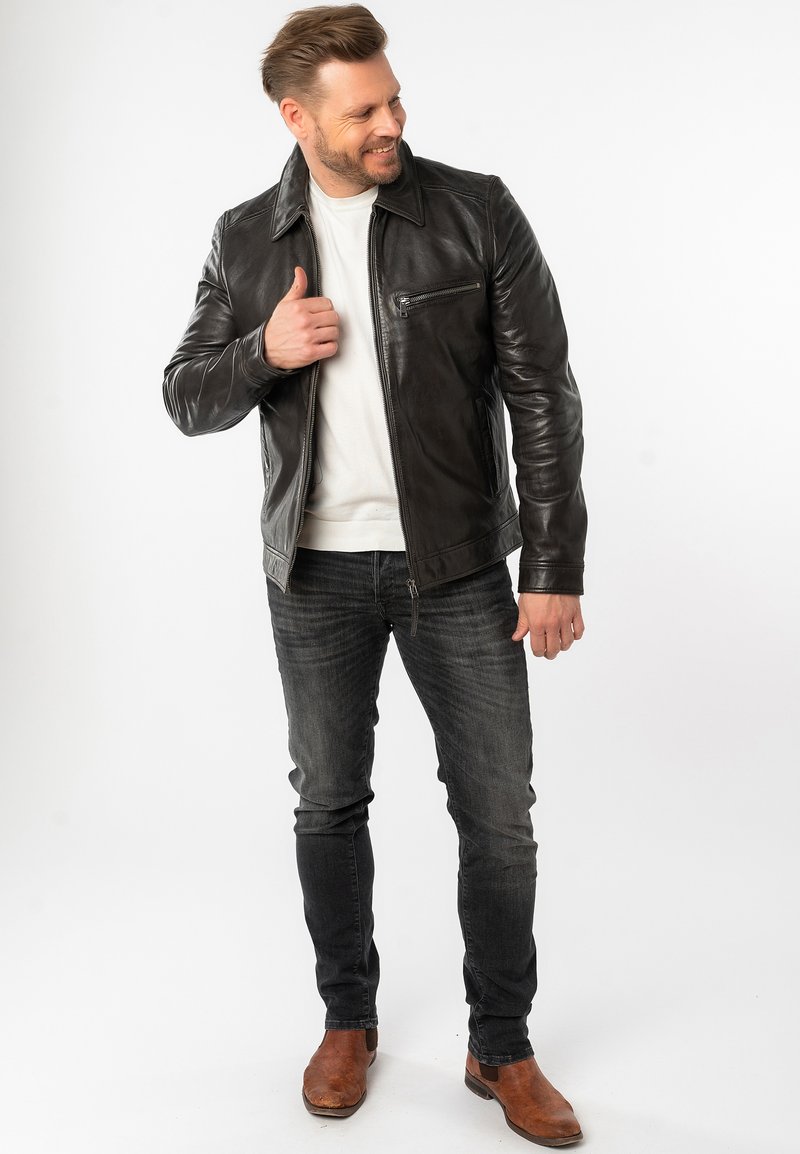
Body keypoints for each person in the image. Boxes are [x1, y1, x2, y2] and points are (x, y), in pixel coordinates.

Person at [162, 4, 587, 1145]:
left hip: (458, 566)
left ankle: (501, 1044)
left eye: (393, 98)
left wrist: (551, 563)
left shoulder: (475, 210)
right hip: (312, 575)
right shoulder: (245, 237)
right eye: (364, 111)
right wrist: (263, 351)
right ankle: (346, 1021)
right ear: (297, 119)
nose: (391, 121)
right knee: (328, 801)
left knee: (499, 815)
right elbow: (185, 394)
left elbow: (542, 393)